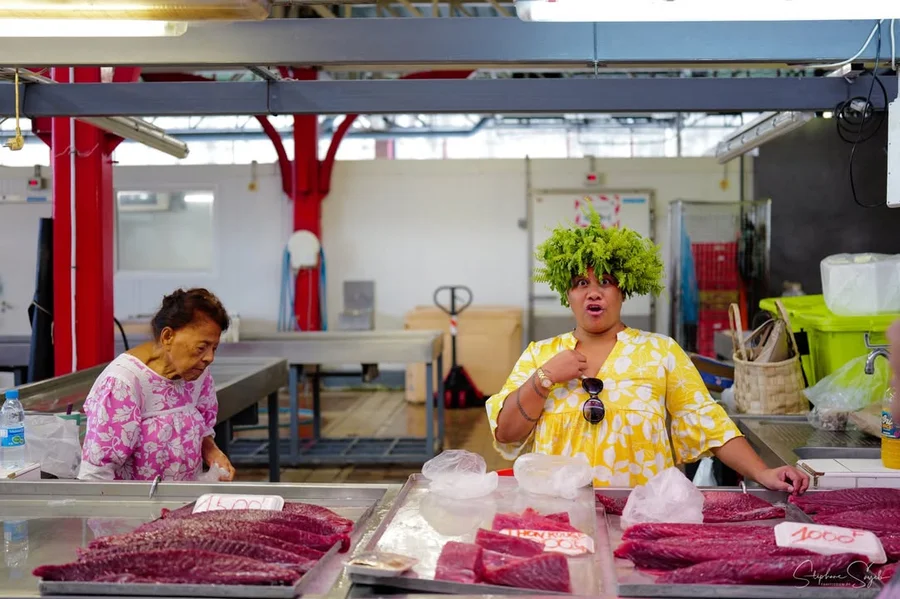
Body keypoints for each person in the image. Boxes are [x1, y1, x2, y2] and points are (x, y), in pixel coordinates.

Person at [485, 208, 810, 494]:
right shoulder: (540, 354)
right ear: (567, 295)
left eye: (606, 281)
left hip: (642, 516)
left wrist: (763, 472)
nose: (593, 293)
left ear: (623, 290)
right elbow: (506, 432)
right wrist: (543, 379)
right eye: (581, 283)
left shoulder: (660, 352)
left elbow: (711, 424)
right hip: (557, 516)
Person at [77, 288, 236, 482]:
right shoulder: (124, 383)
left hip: (184, 503)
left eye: (214, 348)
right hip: (133, 508)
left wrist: (211, 450)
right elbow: (96, 475)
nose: (210, 358)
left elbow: (202, 426)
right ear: (168, 336)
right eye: (201, 348)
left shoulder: (196, 376)